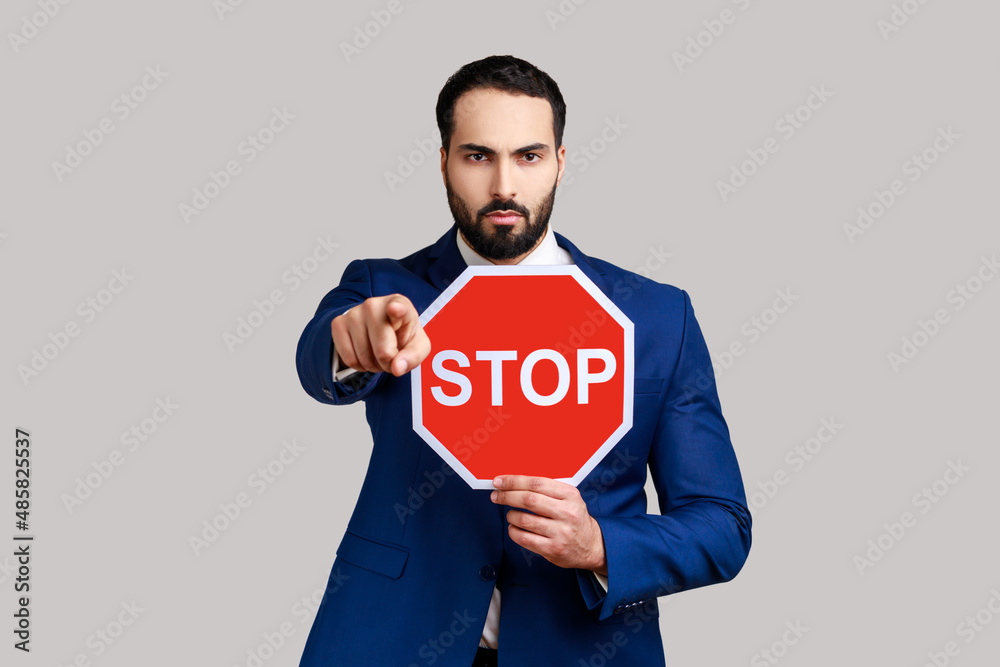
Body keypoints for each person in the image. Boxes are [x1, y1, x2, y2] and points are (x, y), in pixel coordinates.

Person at [294, 55, 751, 667]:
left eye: (529, 156)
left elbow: (722, 528)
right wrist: (351, 342)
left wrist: (599, 546)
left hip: (583, 646)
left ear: (560, 162)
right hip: (392, 640)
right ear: (443, 162)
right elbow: (320, 358)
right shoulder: (385, 289)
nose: (504, 186)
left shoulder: (656, 317)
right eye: (478, 155)